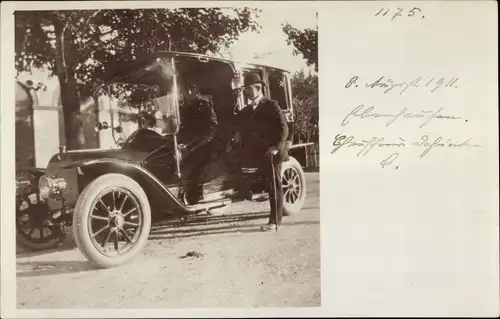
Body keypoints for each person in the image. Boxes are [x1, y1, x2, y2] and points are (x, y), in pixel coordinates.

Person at [235, 73, 289, 232]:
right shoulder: (247, 110)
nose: (246, 92)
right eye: (245, 89)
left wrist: (275, 146)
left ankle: (275, 221)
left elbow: (283, 128)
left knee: (274, 185)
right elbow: (239, 123)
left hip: (273, 152)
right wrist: (238, 133)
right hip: (258, 152)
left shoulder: (272, 105)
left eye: (249, 89)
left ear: (258, 88)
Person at [177, 81, 219, 204]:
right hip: (188, 144)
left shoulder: (205, 106)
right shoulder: (183, 108)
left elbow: (212, 128)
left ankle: (196, 198)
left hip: (204, 144)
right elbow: (182, 128)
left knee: (195, 170)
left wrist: (194, 144)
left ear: (196, 92)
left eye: (190, 90)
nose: (187, 93)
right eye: (185, 91)